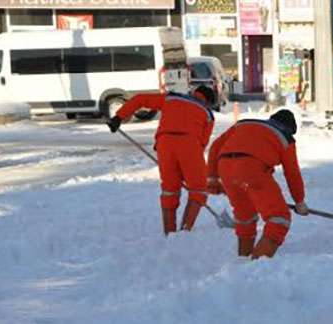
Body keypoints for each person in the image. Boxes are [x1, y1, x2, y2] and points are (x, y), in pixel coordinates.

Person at [107, 86, 217, 236]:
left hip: (165, 144)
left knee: (170, 189)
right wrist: (188, 169)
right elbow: (202, 143)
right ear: (208, 102)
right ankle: (185, 230)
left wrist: (118, 117)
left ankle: (169, 232)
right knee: (199, 188)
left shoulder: (171, 98)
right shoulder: (208, 114)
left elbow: (140, 99)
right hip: (190, 145)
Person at [206, 110, 310, 259]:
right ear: (289, 128)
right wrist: (299, 202)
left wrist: (212, 178)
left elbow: (215, 146)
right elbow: (292, 174)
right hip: (252, 168)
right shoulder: (285, 137)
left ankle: (242, 260)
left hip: (224, 166)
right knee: (279, 218)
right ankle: (254, 268)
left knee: (245, 216)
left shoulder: (243, 124)